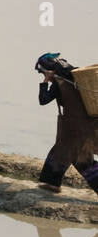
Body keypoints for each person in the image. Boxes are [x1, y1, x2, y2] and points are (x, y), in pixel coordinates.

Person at [34, 54, 98, 196]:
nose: (43, 75)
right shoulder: (77, 77)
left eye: (43, 72)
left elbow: (43, 100)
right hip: (87, 124)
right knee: (64, 154)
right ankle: (50, 184)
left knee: (80, 160)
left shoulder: (60, 82)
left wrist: (46, 81)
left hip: (75, 127)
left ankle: (50, 183)